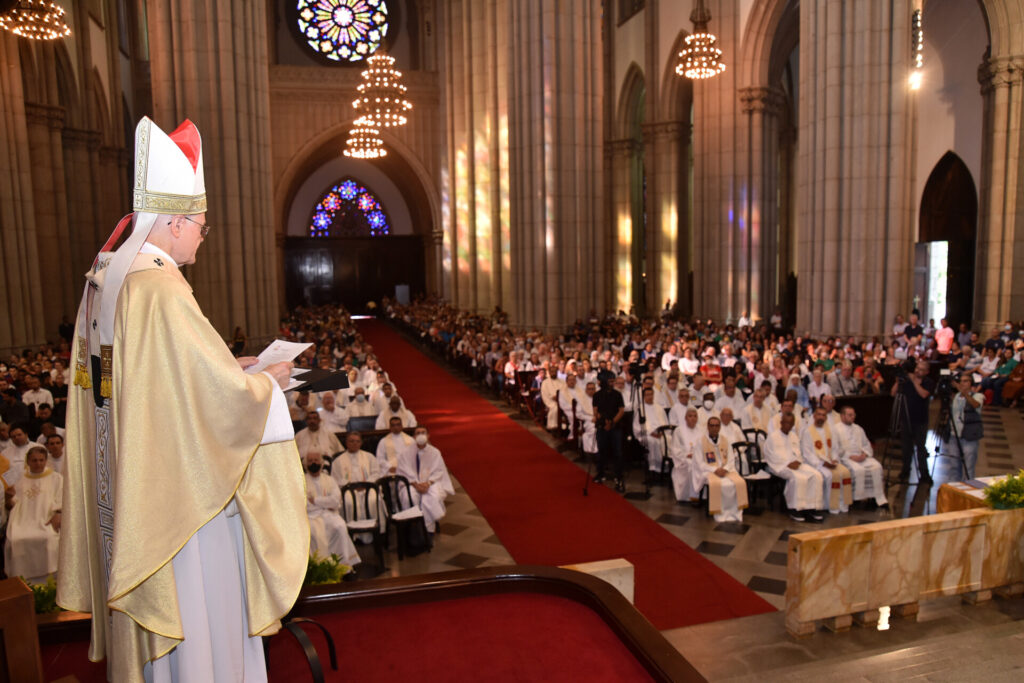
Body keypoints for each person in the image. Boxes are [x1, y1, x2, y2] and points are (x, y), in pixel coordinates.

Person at [58, 117, 308, 683]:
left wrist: (229, 365)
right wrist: (268, 382)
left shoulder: (111, 274)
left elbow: (148, 380)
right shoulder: (161, 287)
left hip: (133, 480)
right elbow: (215, 406)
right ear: (173, 222)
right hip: (181, 505)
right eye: (199, 224)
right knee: (203, 627)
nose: (203, 233)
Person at [4, 446, 62, 584]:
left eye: (41, 460)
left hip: (46, 520)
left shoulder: (56, 478)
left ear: (46, 460)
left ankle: (50, 581)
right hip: (22, 521)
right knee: (15, 539)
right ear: (28, 461)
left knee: (48, 538)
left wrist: (58, 513)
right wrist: (8, 497)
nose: (38, 464)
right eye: (34, 460)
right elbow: (11, 504)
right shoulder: (19, 479)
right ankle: (22, 582)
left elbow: (62, 499)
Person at [303, 451, 361, 569]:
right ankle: (317, 567)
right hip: (310, 516)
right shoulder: (301, 481)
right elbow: (304, 504)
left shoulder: (330, 480)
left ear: (322, 463)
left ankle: (342, 564)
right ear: (305, 464)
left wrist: (315, 500)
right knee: (312, 532)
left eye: (316, 460)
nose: (313, 463)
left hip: (330, 514)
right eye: (310, 461)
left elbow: (336, 501)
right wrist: (325, 502)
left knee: (340, 526)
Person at [763, 414, 825, 522]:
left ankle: (811, 506)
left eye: (791, 423)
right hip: (778, 466)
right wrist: (787, 463)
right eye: (786, 422)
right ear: (781, 423)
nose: (788, 425)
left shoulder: (794, 436)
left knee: (816, 475)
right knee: (797, 477)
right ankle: (794, 508)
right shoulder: (773, 437)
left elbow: (798, 453)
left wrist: (797, 461)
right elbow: (769, 455)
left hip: (795, 464)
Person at [396, 427, 455, 533]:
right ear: (414, 437)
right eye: (418, 433)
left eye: (423, 433)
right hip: (411, 483)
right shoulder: (406, 452)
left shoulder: (435, 452)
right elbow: (403, 470)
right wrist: (416, 484)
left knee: (433, 496)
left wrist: (428, 483)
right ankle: (413, 526)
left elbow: (438, 471)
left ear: (428, 435)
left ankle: (428, 528)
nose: (420, 435)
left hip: (430, 483)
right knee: (409, 496)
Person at [693, 417, 748, 522]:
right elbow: (699, 462)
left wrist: (725, 469)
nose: (714, 428)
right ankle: (719, 512)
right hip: (709, 471)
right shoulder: (700, 442)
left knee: (739, 482)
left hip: (725, 470)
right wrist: (715, 470)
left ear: (720, 427)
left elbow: (731, 459)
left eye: (717, 425)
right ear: (708, 427)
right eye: (712, 425)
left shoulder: (725, 440)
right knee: (718, 484)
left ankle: (735, 512)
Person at [800, 407, 853, 514]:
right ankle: (829, 506)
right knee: (830, 476)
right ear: (814, 416)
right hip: (816, 464)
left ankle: (842, 505)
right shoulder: (807, 432)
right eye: (819, 414)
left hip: (830, 462)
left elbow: (834, 449)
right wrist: (822, 463)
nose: (821, 417)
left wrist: (834, 460)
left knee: (845, 472)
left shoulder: (830, 431)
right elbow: (807, 454)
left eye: (823, 415)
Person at [833, 406, 889, 507]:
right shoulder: (836, 429)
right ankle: (856, 499)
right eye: (850, 415)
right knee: (857, 471)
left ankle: (875, 497)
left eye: (853, 415)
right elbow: (836, 448)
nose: (853, 417)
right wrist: (850, 456)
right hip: (847, 458)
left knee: (877, 467)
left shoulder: (858, 428)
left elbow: (866, 444)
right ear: (842, 416)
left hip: (861, 457)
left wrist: (864, 454)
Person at [891, 359, 935, 482]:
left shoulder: (928, 382)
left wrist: (914, 381)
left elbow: (924, 394)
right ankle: (905, 470)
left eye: (921, 369)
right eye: (917, 368)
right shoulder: (906, 381)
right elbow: (893, 393)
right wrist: (897, 381)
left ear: (926, 372)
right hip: (906, 419)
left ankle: (924, 474)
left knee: (921, 448)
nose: (917, 371)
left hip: (920, 420)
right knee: (906, 448)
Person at [946, 374, 984, 480]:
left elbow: (976, 405)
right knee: (954, 466)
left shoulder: (978, 396)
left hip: (969, 437)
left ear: (971, 384)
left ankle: (967, 491)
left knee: (968, 468)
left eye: (966, 381)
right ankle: (954, 490)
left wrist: (964, 393)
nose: (962, 383)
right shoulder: (956, 396)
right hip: (954, 436)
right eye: (961, 381)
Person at [592, 375, 625, 491]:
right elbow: (596, 411)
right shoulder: (597, 395)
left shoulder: (617, 394)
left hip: (615, 426)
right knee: (601, 450)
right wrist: (604, 421)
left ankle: (619, 476)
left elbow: (621, 410)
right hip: (602, 426)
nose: (612, 383)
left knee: (618, 452)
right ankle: (600, 473)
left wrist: (612, 422)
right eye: (610, 381)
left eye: (613, 381)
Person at [633, 386, 671, 473]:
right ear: (643, 396)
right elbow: (637, 426)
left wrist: (662, 432)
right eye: (647, 395)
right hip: (647, 434)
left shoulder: (659, 408)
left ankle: (666, 467)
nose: (650, 397)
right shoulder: (640, 409)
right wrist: (651, 433)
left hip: (661, 433)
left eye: (651, 394)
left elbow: (665, 421)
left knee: (668, 439)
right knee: (653, 441)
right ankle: (653, 468)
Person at [668, 407, 701, 502]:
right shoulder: (679, 430)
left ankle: (702, 495)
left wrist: (697, 454)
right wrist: (687, 455)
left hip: (698, 457)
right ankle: (691, 495)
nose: (693, 418)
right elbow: (675, 449)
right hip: (684, 459)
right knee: (691, 465)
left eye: (695, 416)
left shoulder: (702, 430)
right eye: (690, 416)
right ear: (685, 418)